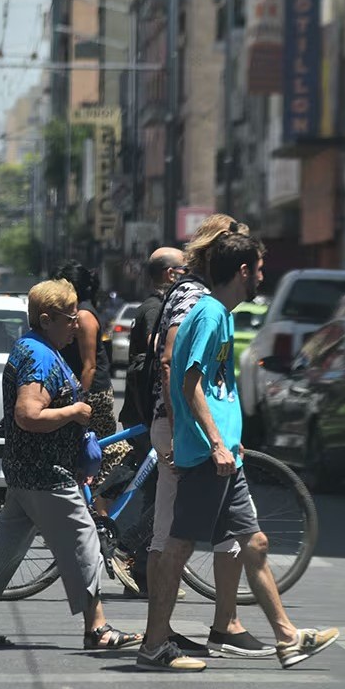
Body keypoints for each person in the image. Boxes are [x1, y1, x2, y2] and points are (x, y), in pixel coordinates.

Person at [140, 231, 339, 671]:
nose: (263, 277)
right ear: (243, 271)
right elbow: (188, 382)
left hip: (228, 454)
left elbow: (215, 387)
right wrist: (214, 441)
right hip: (208, 458)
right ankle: (154, 645)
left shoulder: (222, 315)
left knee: (256, 542)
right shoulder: (209, 314)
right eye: (260, 270)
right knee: (178, 547)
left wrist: (229, 437)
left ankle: (287, 638)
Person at [0, 279, 142, 651]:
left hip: (26, 472)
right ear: (46, 318)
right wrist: (74, 412)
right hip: (45, 474)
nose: (77, 324)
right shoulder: (39, 356)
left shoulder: (33, 347)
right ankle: (98, 628)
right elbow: (28, 414)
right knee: (85, 541)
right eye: (70, 318)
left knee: (5, 545)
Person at [140, 216, 241, 650]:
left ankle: (226, 624)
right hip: (186, 430)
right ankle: (158, 636)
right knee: (171, 535)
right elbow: (171, 363)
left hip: (199, 431)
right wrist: (188, 433)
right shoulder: (195, 296)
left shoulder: (201, 295)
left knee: (235, 533)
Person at [116, 246, 185, 596]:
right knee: (165, 492)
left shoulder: (155, 307)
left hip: (145, 413)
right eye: (185, 270)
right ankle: (126, 547)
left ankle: (142, 571)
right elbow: (163, 353)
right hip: (150, 415)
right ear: (171, 275)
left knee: (152, 491)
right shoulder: (156, 309)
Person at [51, 261, 131, 510]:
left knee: (105, 449)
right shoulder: (76, 313)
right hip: (82, 392)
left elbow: (89, 365)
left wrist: (80, 400)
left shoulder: (85, 316)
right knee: (82, 451)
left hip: (93, 393)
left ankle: (101, 506)